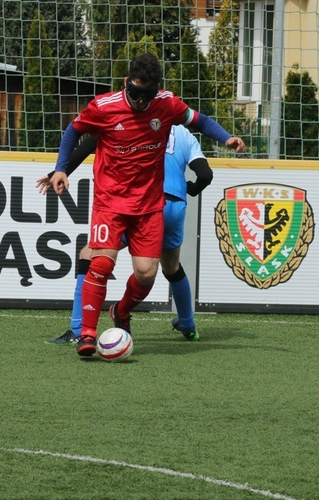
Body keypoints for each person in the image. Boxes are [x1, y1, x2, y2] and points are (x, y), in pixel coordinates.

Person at [49, 53, 245, 357]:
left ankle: (121, 311)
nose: (140, 101)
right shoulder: (104, 106)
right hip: (110, 201)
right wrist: (61, 168)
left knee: (146, 274)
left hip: (149, 205)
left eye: (147, 95)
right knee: (100, 262)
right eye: (135, 93)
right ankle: (87, 333)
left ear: (157, 89)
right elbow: (74, 131)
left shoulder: (166, 105)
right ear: (127, 83)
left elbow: (200, 121)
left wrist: (226, 137)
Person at [39, 125, 212, 344]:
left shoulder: (135, 122)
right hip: (175, 205)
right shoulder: (185, 134)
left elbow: (89, 144)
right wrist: (192, 189)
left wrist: (59, 171)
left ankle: (77, 329)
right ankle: (188, 326)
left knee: (89, 254)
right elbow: (205, 174)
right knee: (171, 267)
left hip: (143, 202)